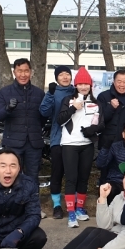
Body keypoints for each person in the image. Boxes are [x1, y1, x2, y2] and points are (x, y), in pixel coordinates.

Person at [57, 67, 104, 228]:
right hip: (69, 144)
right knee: (71, 178)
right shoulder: (68, 100)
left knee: (83, 178)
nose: (83, 87)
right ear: (75, 85)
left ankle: (79, 208)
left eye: (86, 84)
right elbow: (60, 120)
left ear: (91, 85)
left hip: (87, 145)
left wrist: (93, 130)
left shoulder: (95, 103)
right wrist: (73, 108)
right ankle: (71, 212)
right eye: (80, 84)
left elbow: (101, 123)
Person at [0, 58, 45, 183]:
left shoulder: (39, 93)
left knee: (32, 177)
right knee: (12, 176)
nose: (23, 74)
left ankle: (32, 197)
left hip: (34, 144)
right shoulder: (5, 92)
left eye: (26, 71)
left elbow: (43, 118)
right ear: (14, 72)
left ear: (31, 72)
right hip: (13, 143)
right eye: (19, 71)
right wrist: (8, 109)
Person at [39, 65, 74, 219]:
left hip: (75, 139)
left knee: (73, 174)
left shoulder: (77, 91)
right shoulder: (53, 92)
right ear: (56, 78)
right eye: (61, 75)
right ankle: (57, 205)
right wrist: (50, 94)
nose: (65, 77)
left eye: (67, 74)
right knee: (57, 172)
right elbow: (44, 111)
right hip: (58, 138)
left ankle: (73, 204)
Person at [97, 69, 125, 184]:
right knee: (105, 176)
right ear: (113, 82)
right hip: (108, 143)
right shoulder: (103, 97)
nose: (122, 85)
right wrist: (110, 108)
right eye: (119, 81)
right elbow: (99, 121)